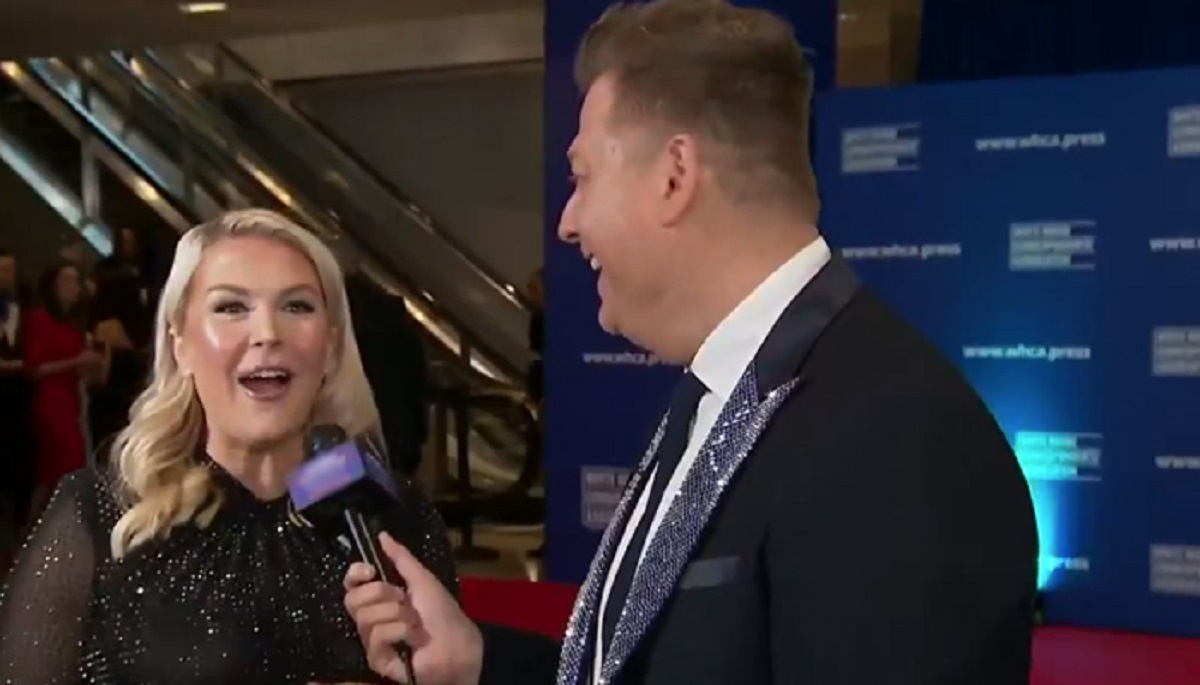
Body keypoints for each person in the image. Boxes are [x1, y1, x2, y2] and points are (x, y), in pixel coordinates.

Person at [343, 2, 1039, 685]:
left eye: (582, 176)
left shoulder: (894, 438)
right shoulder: (724, 394)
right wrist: (477, 662)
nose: (568, 222)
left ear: (674, 176)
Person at [0, 208, 458, 683]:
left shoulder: (397, 516)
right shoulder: (99, 511)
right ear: (180, 344)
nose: (268, 334)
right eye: (231, 308)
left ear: (330, 345)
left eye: (297, 306)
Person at [24, 262, 102, 518]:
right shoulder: (40, 319)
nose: (74, 286)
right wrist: (76, 361)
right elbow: (34, 368)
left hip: (72, 401)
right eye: (67, 280)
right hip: (51, 402)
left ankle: (45, 529)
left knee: (59, 472)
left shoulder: (73, 325)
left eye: (75, 280)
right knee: (60, 470)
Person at [343, 267, 429, 476]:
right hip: (398, 437)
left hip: (359, 443)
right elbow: (417, 382)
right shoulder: (397, 323)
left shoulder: (348, 328)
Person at [0, 249, 35, 568]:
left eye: (9, 270)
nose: (5, 277)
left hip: (25, 402)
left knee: (23, 472)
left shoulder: (27, 310)